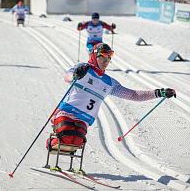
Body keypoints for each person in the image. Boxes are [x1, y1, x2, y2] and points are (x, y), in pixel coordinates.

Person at [47, 43, 176, 149]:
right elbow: (67, 77)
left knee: (76, 143)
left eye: (109, 57)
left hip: (84, 119)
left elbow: (133, 95)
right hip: (67, 112)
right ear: (94, 55)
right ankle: (51, 141)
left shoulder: (109, 83)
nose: (106, 60)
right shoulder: (83, 68)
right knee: (67, 138)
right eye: (103, 56)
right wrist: (75, 75)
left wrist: (158, 93)